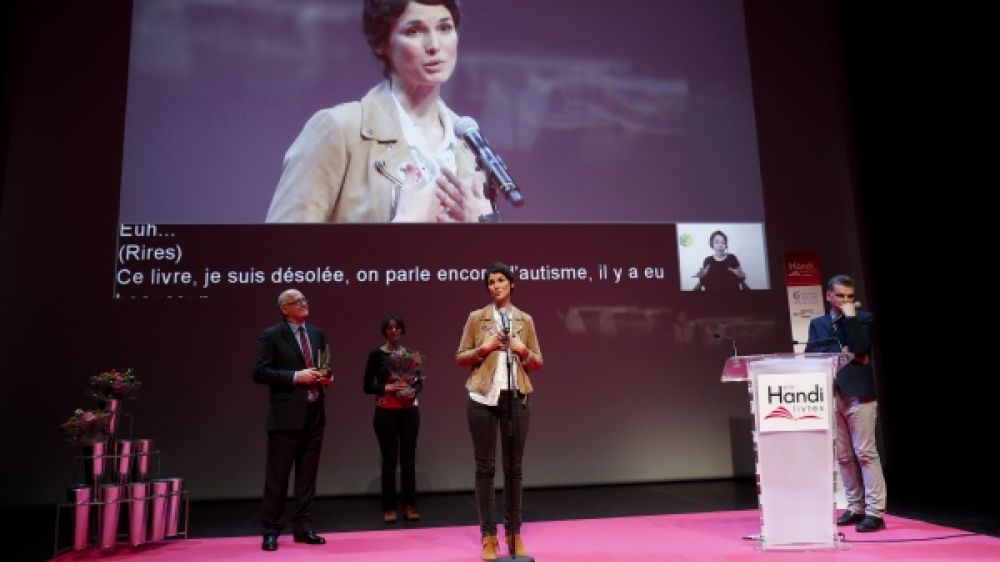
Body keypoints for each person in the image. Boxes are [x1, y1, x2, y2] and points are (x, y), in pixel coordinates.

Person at [265, 0, 492, 223]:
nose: (434, 44)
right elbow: (280, 253)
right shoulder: (341, 131)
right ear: (381, 43)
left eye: (444, 28)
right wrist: (402, 228)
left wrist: (484, 232)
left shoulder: (469, 145)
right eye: (414, 31)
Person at [455, 262, 544, 561]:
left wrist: (521, 350)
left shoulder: (525, 320)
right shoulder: (476, 318)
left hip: (516, 398)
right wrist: (485, 348)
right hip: (482, 398)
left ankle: (514, 535)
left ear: (512, 284)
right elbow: (460, 357)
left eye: (501, 280)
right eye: (491, 282)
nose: (495, 285)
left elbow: (537, 362)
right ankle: (488, 536)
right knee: (485, 468)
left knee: (514, 469)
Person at [252, 289, 333, 551]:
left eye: (304, 300)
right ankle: (270, 530)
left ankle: (303, 527)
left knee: (307, 477)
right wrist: (296, 377)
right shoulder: (271, 335)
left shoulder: (317, 333)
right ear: (284, 309)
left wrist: (326, 377)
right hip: (285, 417)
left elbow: (322, 366)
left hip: (314, 413)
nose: (303, 304)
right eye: (297, 302)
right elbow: (260, 372)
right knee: (278, 477)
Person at [805, 274, 886, 532]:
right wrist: (839, 354)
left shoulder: (863, 319)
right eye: (840, 296)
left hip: (859, 393)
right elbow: (812, 353)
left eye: (850, 296)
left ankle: (875, 512)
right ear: (828, 296)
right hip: (832, 392)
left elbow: (861, 348)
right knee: (843, 456)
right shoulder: (817, 323)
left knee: (865, 453)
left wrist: (850, 318)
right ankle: (855, 507)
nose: (845, 300)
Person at [363, 314, 423, 523]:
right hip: (386, 411)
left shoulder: (409, 355)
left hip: (409, 411)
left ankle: (409, 505)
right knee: (389, 460)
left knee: (409, 460)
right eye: (390, 328)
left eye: (397, 328)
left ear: (402, 330)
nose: (394, 331)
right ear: (385, 332)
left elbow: (418, 383)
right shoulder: (376, 355)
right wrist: (387, 387)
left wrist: (412, 390)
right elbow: (367, 386)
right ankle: (389, 507)